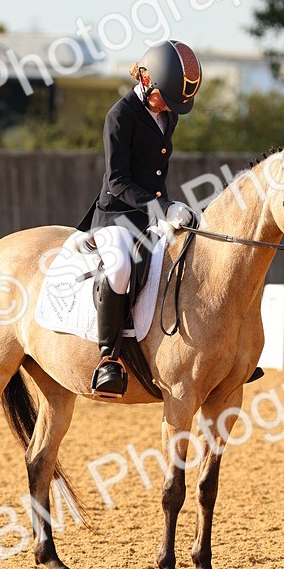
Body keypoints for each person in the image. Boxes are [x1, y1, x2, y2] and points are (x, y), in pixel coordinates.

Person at [77, 39, 202, 398]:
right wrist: (162, 208)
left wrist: (170, 208)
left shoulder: (168, 114)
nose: (171, 107)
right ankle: (108, 359)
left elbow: (155, 172)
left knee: (193, 252)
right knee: (119, 269)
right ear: (147, 81)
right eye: (167, 97)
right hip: (117, 216)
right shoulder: (120, 116)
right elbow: (117, 181)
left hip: (152, 212)